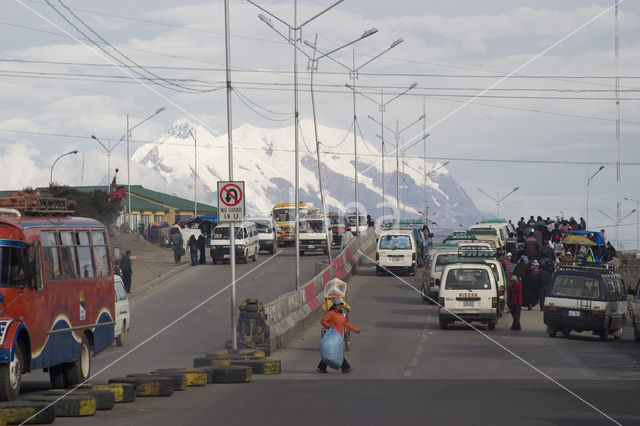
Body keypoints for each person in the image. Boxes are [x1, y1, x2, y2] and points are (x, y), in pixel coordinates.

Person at [317, 298, 360, 374]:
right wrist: (329, 326)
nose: (340, 306)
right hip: (332, 337)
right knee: (337, 352)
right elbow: (323, 321)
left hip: (339, 337)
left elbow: (346, 323)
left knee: (331, 353)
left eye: (341, 305)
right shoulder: (331, 313)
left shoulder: (341, 315)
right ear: (334, 306)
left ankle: (321, 367)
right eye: (338, 305)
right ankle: (345, 368)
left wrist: (356, 330)